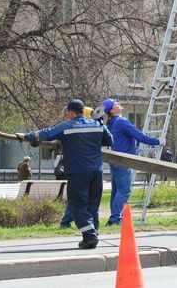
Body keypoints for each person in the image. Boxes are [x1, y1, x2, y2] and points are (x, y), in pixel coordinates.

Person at [15, 99, 113, 249]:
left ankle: (90, 235)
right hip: (97, 172)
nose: (67, 115)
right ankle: (94, 234)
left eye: (68, 112)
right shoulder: (97, 125)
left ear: (72, 112)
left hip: (78, 172)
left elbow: (46, 133)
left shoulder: (67, 126)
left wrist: (26, 136)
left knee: (77, 204)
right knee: (93, 205)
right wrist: (99, 125)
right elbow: (109, 140)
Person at [101, 98, 161, 226]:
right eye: (115, 103)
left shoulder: (112, 123)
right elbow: (138, 135)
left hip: (115, 160)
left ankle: (116, 217)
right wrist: (157, 141)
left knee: (116, 190)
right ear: (111, 110)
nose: (118, 104)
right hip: (123, 161)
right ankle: (114, 219)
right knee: (124, 191)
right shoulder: (121, 121)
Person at [56, 106, 94, 229]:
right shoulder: (82, 127)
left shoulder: (83, 127)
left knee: (80, 198)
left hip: (82, 167)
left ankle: (71, 222)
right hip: (81, 168)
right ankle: (66, 222)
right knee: (78, 198)